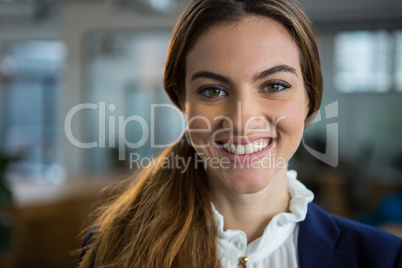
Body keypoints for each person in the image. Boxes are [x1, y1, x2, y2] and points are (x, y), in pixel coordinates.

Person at [78, 0, 402, 267]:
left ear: (310, 101)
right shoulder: (109, 248)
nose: (242, 120)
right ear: (181, 101)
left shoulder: (385, 258)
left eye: (274, 86)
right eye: (212, 90)